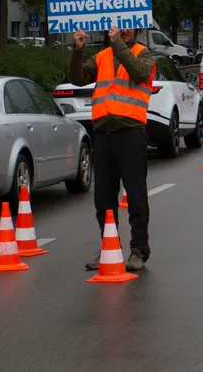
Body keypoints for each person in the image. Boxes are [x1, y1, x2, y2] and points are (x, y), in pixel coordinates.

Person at [71, 26, 156, 272]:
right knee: (103, 199)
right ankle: (110, 247)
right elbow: (78, 78)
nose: (124, 30)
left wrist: (117, 43)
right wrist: (78, 49)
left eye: (128, 26)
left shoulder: (144, 54)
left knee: (136, 197)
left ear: (137, 29)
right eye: (119, 27)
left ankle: (139, 250)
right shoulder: (103, 56)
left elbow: (139, 73)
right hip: (103, 134)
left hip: (131, 133)